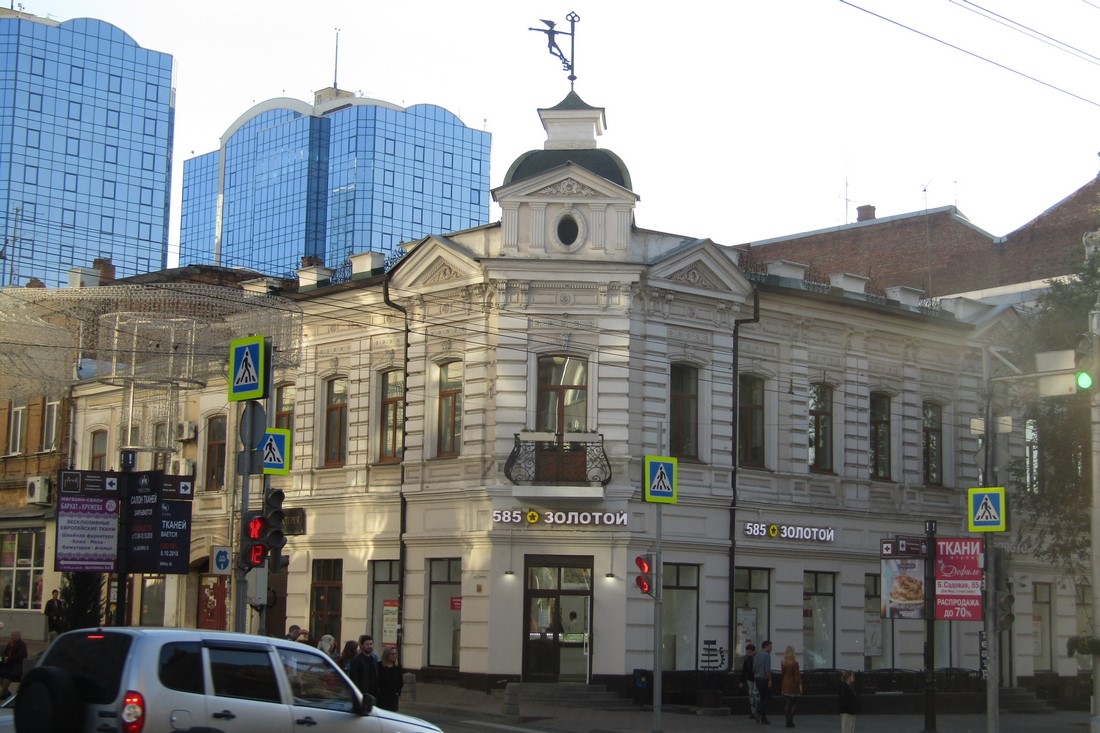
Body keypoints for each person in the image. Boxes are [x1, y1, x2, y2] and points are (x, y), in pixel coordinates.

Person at [349, 634, 380, 700]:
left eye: (371, 644)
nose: (369, 646)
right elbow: (354, 678)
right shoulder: (356, 660)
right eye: (367, 644)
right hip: (362, 693)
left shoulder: (374, 659)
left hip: (373, 694)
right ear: (362, 645)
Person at [780, 645, 803, 728]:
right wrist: (800, 685)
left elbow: (782, 673)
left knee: (787, 702)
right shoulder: (795, 663)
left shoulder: (783, 662)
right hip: (793, 683)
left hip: (785, 682)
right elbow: (797, 675)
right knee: (795, 702)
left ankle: (787, 721)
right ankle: (790, 720)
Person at [0, 630, 27, 697]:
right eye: (11, 635)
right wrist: (2, 658)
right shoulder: (10, 643)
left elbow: (21, 656)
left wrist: (8, 659)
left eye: (13, 635)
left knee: (7, 676)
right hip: (7, 665)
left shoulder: (21, 644)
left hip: (15, 667)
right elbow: (4, 654)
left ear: (18, 636)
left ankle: (2, 693)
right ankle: (5, 692)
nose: (12, 637)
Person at [376, 646, 404, 711]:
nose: (394, 656)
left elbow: (400, 681)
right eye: (391, 654)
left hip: (393, 696)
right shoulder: (379, 666)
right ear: (386, 654)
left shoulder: (398, 667)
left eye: (395, 654)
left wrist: (398, 692)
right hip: (382, 696)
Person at [753, 639, 773, 724]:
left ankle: (763, 718)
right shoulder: (767, 655)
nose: (771, 649)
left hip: (757, 678)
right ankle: (758, 711)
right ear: (766, 646)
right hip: (764, 679)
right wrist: (770, 680)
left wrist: (756, 676)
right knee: (767, 698)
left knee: (762, 698)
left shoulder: (757, 655)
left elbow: (754, 667)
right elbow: (767, 669)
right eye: (770, 647)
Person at [739, 643, 758, 720]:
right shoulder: (747, 658)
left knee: (755, 695)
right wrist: (741, 681)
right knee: (751, 695)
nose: (748, 653)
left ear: (753, 651)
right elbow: (744, 670)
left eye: (749, 651)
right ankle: (753, 711)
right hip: (749, 679)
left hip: (755, 679)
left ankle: (756, 711)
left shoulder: (756, 658)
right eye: (747, 651)